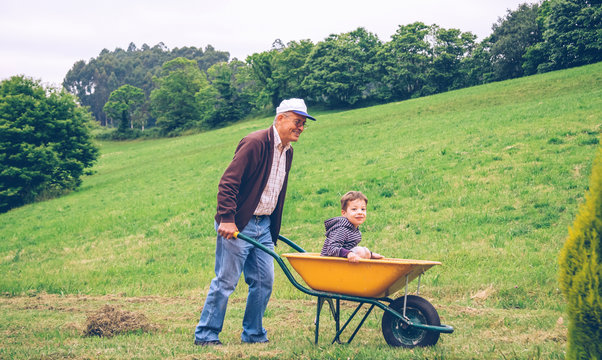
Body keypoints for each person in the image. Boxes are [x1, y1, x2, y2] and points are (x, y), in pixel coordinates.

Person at [193, 98, 316, 346]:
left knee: (264, 281)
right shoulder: (255, 142)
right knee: (226, 281)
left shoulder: (287, 151)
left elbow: (275, 190)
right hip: (238, 225)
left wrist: (272, 228)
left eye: (303, 123)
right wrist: (227, 219)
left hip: (264, 227)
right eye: (297, 121)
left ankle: (253, 333)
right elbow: (228, 183)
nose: (301, 127)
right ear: (280, 118)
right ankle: (206, 335)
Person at [320, 191, 383, 263]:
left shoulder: (355, 231)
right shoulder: (342, 229)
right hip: (329, 263)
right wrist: (349, 254)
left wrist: (369, 254)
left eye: (363, 209)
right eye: (354, 209)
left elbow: (350, 248)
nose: (360, 212)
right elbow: (331, 248)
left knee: (363, 251)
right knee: (360, 251)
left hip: (340, 264)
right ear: (344, 213)